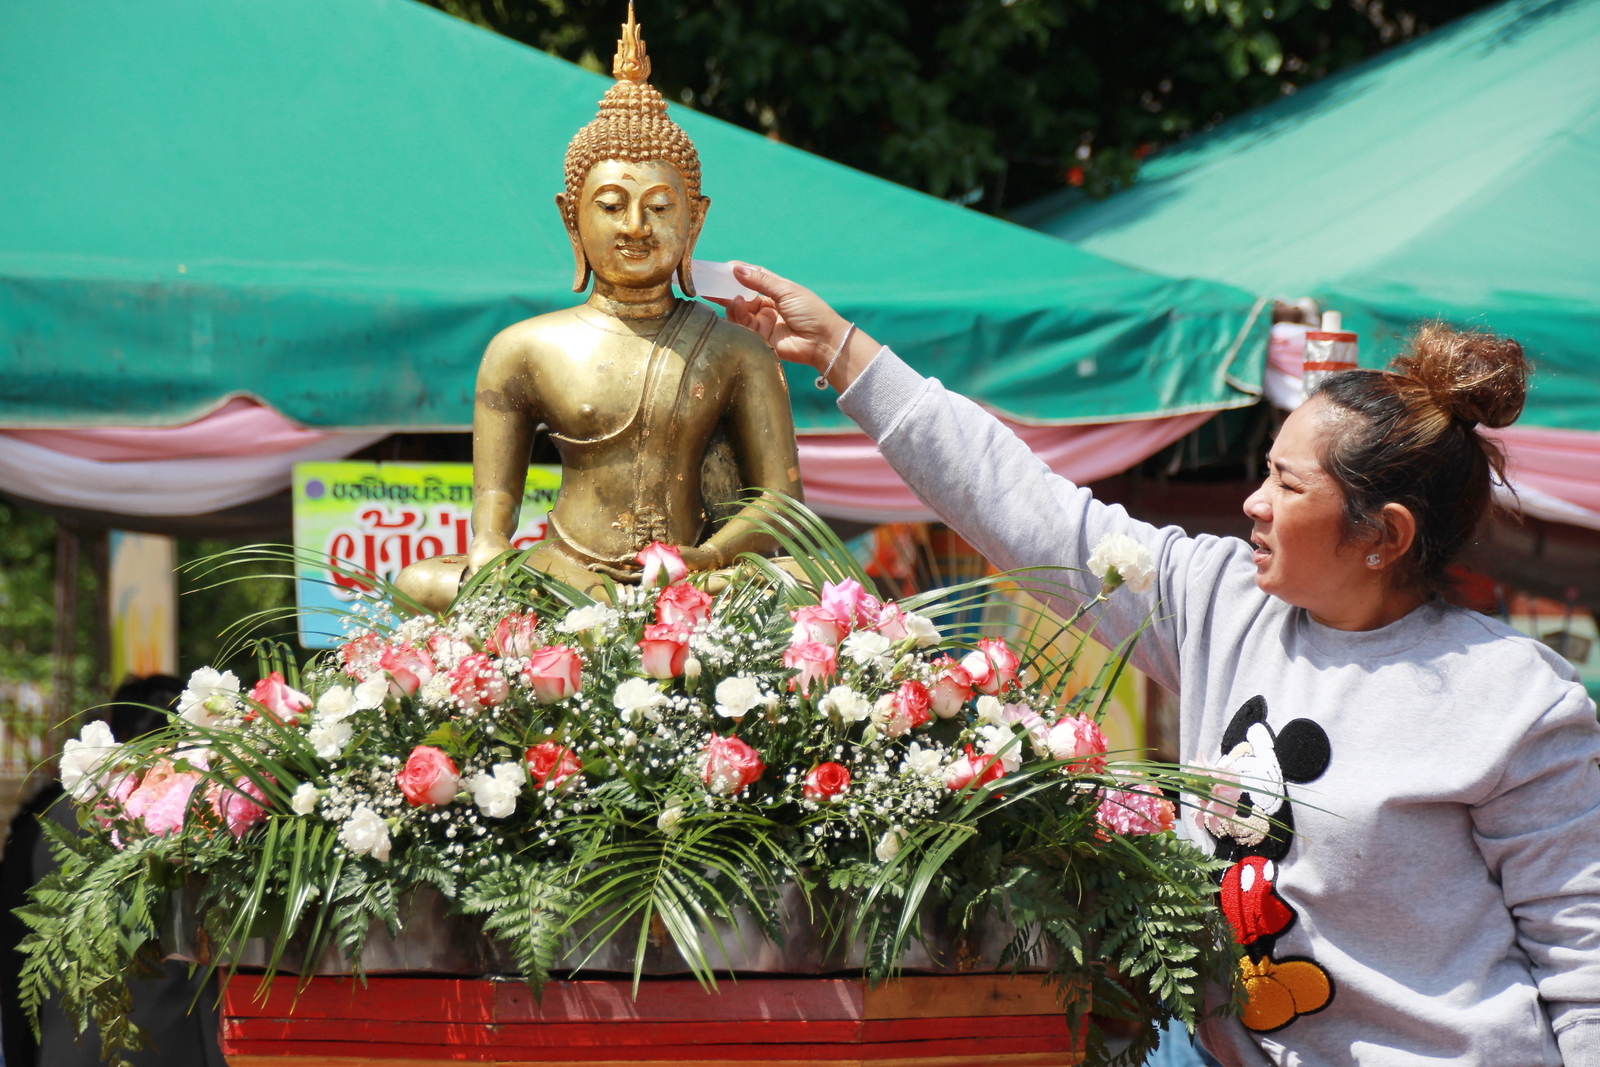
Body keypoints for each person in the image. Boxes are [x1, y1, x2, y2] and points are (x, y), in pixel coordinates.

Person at [722, 263, 1600, 1067]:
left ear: (1385, 534)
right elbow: (1026, 507)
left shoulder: (1515, 699)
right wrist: (843, 352)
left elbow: (1582, 952)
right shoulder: (1219, 599)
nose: (1253, 503)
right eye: (1265, 472)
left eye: (1290, 487)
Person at [0, 675, 224, 1067]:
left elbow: (16, 949)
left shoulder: (50, 818)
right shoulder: (208, 811)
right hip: (179, 1047)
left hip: (67, 1047)